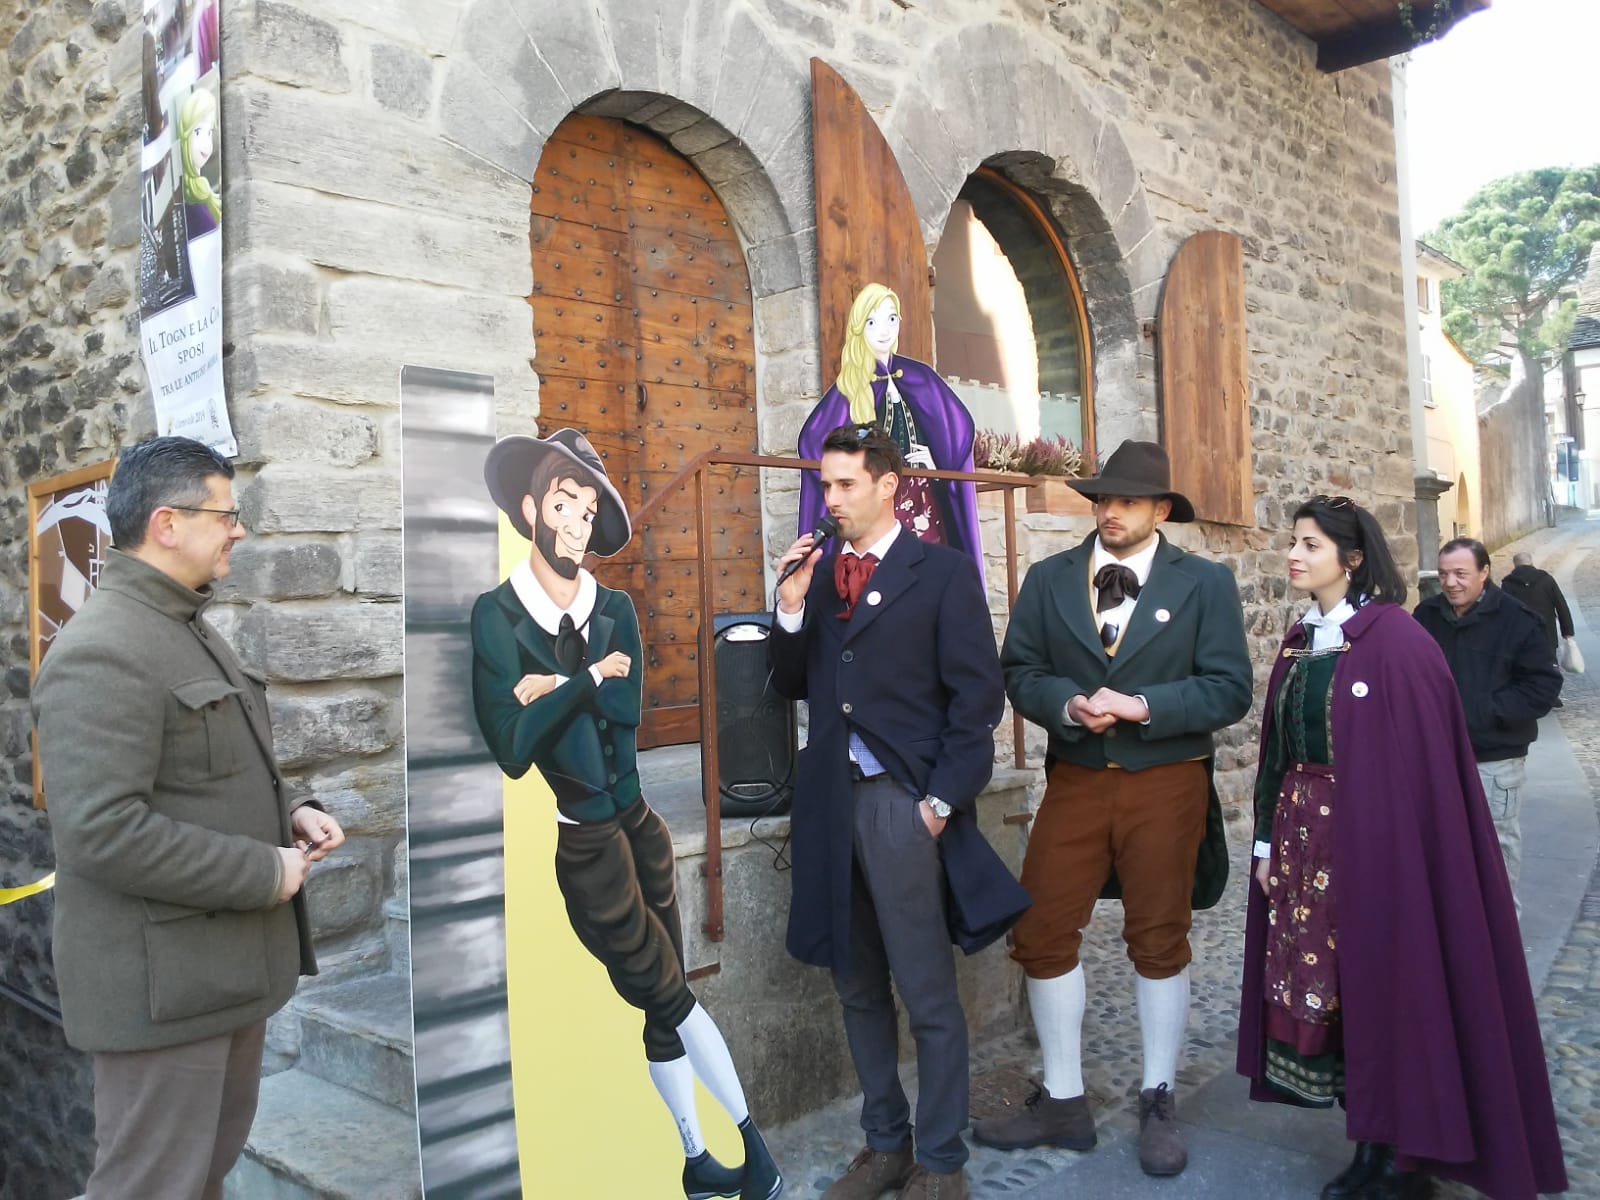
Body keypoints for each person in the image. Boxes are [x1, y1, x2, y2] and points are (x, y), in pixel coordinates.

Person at [469, 429, 780, 1200]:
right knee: (671, 991)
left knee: (661, 1013)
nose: (576, 524)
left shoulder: (614, 609)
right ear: (531, 507)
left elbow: (627, 709)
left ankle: (695, 1161)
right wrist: (582, 682)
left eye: (588, 512)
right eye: (564, 505)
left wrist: (550, 688)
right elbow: (513, 748)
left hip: (643, 828)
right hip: (588, 850)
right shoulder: (497, 616)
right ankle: (756, 1155)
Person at [32, 436, 345, 1200]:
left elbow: (202, 770)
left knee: (201, 1179)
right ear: (167, 523)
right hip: (162, 996)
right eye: (225, 514)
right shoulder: (103, 649)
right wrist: (263, 871)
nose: (238, 529)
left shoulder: (184, 625)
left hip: (214, 979)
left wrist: (291, 811)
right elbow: (101, 830)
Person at [1238, 497, 1566, 1200]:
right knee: (1337, 993)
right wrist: (1265, 844)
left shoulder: (1397, 642)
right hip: (1306, 845)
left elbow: (1422, 766)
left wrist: (1393, 853)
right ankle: (1370, 1141)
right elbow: (1275, 757)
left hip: (1382, 851)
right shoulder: (1301, 640)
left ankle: (1403, 1157)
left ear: (1351, 559)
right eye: (1294, 541)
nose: (1294, 555)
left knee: (1389, 987)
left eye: (1310, 545)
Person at [977, 439, 1251, 1179]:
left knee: (1158, 937)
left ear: (1160, 510)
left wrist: (1143, 705)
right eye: (1103, 499)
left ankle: (1157, 1097)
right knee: (1041, 930)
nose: (1111, 512)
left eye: (1128, 501)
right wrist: (1067, 704)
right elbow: (1020, 671)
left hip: (1167, 779)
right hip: (1076, 777)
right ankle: (1063, 1102)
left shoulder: (1206, 583)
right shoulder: (1048, 579)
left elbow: (1229, 688)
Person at [769, 424, 1028, 1200]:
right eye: (825, 484)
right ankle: (885, 1145)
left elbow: (977, 699)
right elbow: (791, 683)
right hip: (829, 805)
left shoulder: (942, 573)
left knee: (926, 993)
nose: (831, 498)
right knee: (855, 987)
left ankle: (941, 1162)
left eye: (846, 484)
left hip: (901, 804)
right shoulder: (819, 577)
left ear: (890, 486)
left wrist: (939, 803)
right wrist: (789, 607)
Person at [797, 283, 984, 583]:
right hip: (878, 501)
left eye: (891, 319)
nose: (884, 330)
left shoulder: (919, 376)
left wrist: (936, 463)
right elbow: (812, 440)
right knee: (883, 576)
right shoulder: (851, 385)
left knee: (928, 575)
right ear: (860, 328)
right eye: (872, 322)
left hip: (922, 498)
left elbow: (957, 429)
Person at [1415, 539, 1561, 915]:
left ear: (1484, 573)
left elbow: (1542, 688)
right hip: (1436, 758)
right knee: (1441, 852)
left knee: (1495, 851)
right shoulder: (1426, 616)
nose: (1450, 582)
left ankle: (1503, 933)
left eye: (1460, 573)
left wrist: (1480, 713)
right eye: (1444, 574)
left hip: (1494, 762)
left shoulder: (1518, 620)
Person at [1501, 550, 1575, 705]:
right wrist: (1567, 631)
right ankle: (1552, 696)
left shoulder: (1508, 583)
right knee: (1550, 665)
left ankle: (1528, 695)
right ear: (1532, 563)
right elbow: (1561, 605)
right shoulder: (1546, 580)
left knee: (1524, 665)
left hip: (1519, 632)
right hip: (1546, 630)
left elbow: (1504, 610)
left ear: (1515, 565)